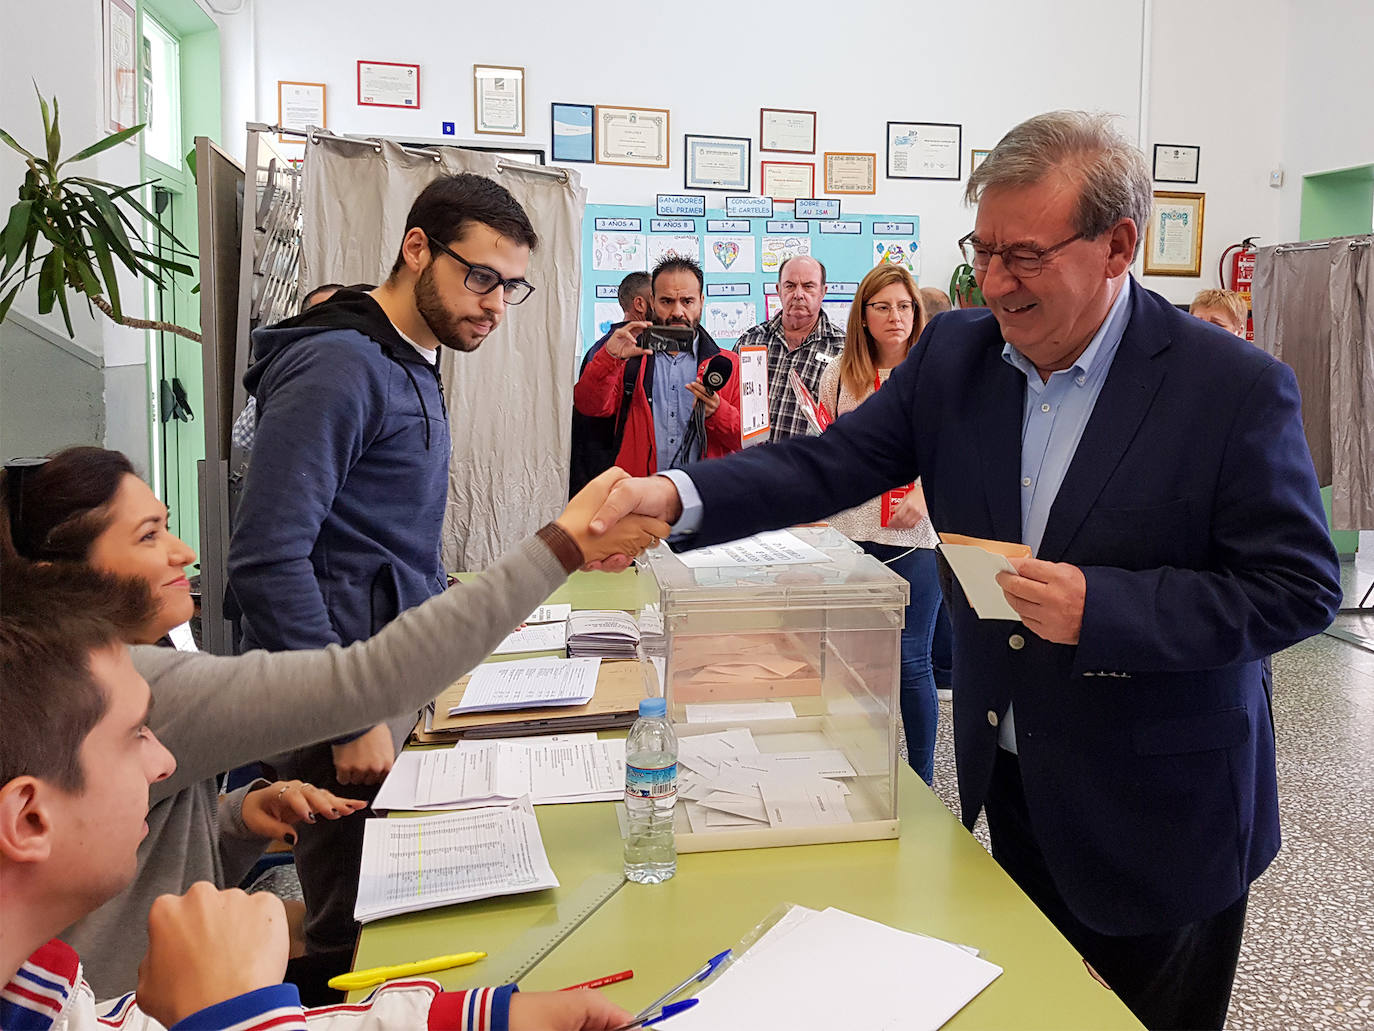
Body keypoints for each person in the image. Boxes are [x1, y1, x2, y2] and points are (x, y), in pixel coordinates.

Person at [583, 111, 1343, 1031]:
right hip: (1013, 778)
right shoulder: (958, 356)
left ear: (1119, 245)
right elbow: (824, 465)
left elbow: (1298, 585)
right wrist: (672, 497)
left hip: (1161, 812)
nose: (992, 280)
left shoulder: (1230, 388)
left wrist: (1106, 606)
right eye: (980, 250)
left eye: (1023, 255)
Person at [1, 448, 665, 996]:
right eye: (148, 535)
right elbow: (372, 678)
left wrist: (234, 817)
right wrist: (565, 542)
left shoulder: (122, 673)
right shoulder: (138, 683)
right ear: (62, 577)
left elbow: (148, 844)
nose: (182, 551)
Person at [0, 575, 634, 1031]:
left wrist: (485, 1016)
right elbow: (366, 675)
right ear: (30, 818)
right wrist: (230, 1012)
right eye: (137, 736)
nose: (163, 762)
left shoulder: (36, 986)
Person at [227, 172, 540, 960]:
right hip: (341, 700)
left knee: (392, 911)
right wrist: (349, 714)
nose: (495, 303)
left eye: (511, 287)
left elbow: (374, 535)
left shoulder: (408, 356)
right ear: (415, 249)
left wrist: (447, 603)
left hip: (384, 678)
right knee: (353, 933)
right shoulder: (342, 364)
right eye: (480, 277)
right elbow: (268, 557)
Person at [818, 265, 941, 784]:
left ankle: (923, 777)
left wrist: (925, 494)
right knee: (849, 667)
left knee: (911, 664)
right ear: (863, 317)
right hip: (848, 540)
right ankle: (859, 769)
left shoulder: (935, 374)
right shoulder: (837, 376)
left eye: (905, 306)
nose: (896, 317)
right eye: (883, 307)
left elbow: (962, 455)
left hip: (911, 541)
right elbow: (824, 452)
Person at [573, 255, 741, 475]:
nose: (678, 312)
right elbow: (589, 406)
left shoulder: (728, 363)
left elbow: (749, 439)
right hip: (639, 496)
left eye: (687, 301)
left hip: (705, 497)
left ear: (701, 300)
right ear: (652, 301)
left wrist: (718, 413)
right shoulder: (629, 357)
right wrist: (609, 358)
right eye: (667, 301)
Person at [230, 283, 352, 456]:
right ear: (305, 322)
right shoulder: (286, 364)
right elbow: (243, 436)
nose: (330, 323)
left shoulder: (375, 365)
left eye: (338, 314)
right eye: (322, 315)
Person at [734, 255, 846, 441]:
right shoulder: (750, 341)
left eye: (808, 286)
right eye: (790, 285)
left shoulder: (843, 349)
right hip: (750, 465)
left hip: (808, 466)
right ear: (779, 290)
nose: (798, 294)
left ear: (823, 292)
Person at [569, 272, 654, 496]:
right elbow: (591, 412)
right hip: (609, 480)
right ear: (640, 303)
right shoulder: (605, 352)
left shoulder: (650, 350)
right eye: (661, 299)